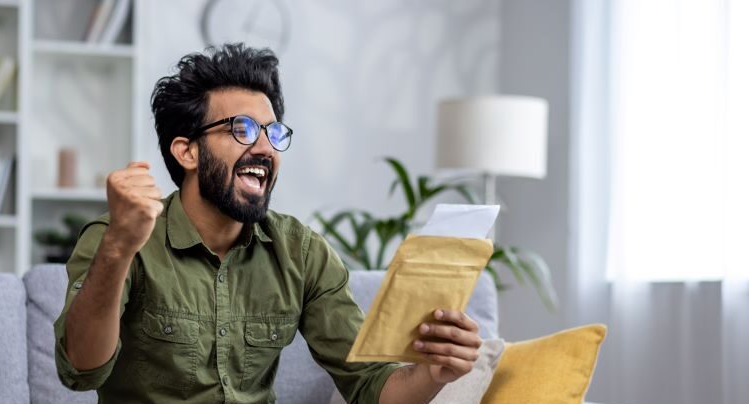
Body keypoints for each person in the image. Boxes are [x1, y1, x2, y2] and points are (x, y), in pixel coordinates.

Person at [54, 43, 483, 404]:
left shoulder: (301, 252)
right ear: (187, 152)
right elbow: (80, 369)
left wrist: (434, 373)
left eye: (273, 132)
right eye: (241, 129)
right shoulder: (119, 238)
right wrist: (118, 248)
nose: (265, 147)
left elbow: (370, 386)